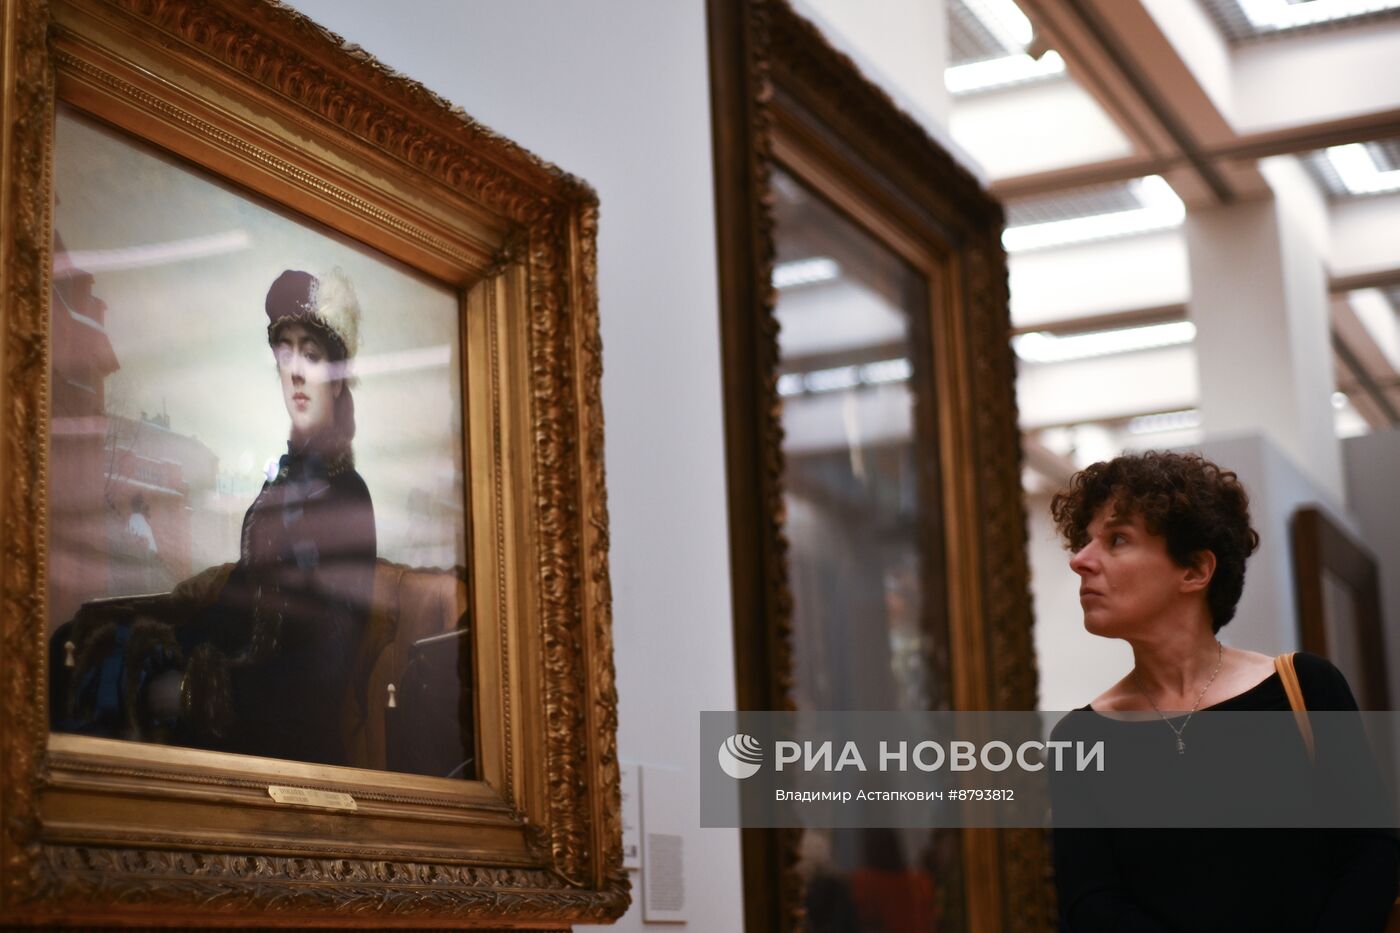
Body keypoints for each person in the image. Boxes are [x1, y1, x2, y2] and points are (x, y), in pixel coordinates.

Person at [1047, 450, 1398, 932]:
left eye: (1117, 539)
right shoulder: (1078, 739)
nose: (1079, 561)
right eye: (1084, 541)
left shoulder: (1307, 688)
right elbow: (1091, 906)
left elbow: (1372, 855)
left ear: (1194, 571)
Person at [54, 268, 377, 767]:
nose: (294, 370)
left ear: (337, 381)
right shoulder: (281, 486)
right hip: (240, 699)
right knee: (82, 645)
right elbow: (232, 611)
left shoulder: (345, 496)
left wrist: (189, 692)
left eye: (311, 355)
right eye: (285, 352)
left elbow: (320, 677)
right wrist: (146, 638)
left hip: (282, 740)